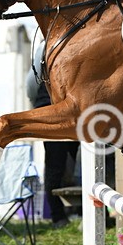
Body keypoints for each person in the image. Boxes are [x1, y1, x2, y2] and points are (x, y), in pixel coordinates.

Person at [26, 46, 80, 228]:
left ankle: (72, 214)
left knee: (60, 166)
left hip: (62, 114)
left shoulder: (46, 48)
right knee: (57, 167)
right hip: (56, 116)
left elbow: (30, 88)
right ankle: (59, 216)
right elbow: (32, 87)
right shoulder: (47, 48)